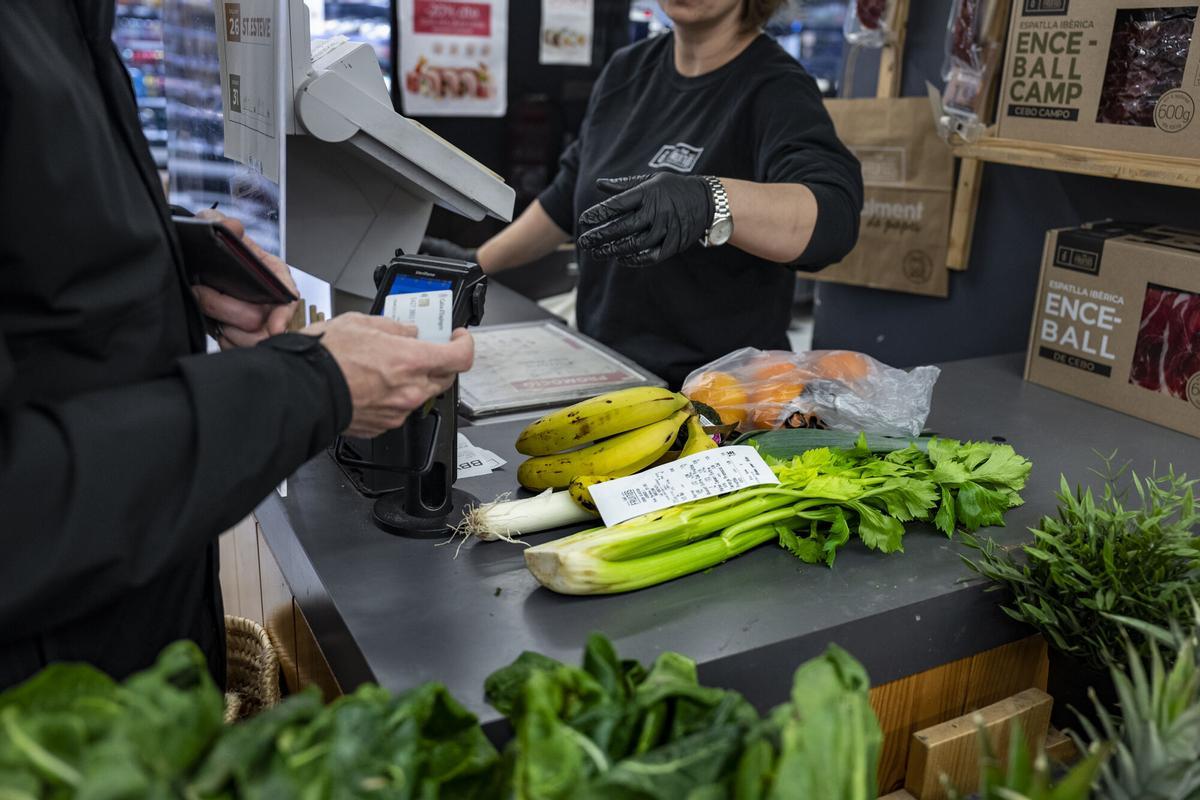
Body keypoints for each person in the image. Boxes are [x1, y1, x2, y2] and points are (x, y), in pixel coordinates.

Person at [0, 1, 473, 690]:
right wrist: (311, 386)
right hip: (54, 719)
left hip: (134, 650)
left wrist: (169, 268)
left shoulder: (62, 21)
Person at [427, 0, 862, 388]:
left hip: (718, 395)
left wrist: (710, 200)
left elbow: (832, 218)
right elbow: (568, 200)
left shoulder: (776, 89)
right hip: (608, 368)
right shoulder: (627, 71)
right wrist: (474, 264)